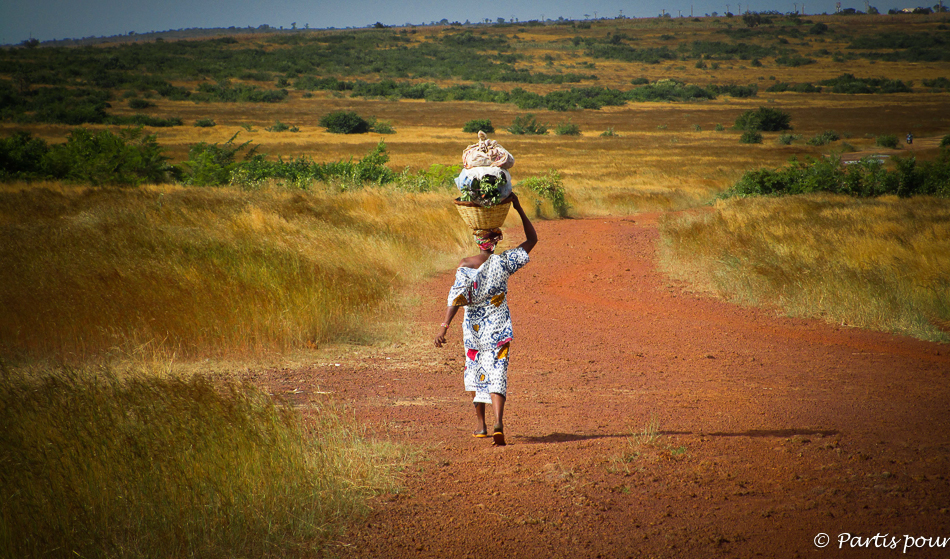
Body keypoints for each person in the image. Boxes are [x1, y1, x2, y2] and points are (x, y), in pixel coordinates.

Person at [434, 193, 538, 446]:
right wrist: (519, 207)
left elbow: (456, 298)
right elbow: (532, 239)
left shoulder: (466, 264)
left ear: (478, 240)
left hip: (474, 330)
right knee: (498, 372)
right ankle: (498, 422)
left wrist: (444, 327)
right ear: (495, 242)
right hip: (500, 326)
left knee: (476, 372)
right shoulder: (504, 263)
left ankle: (481, 426)